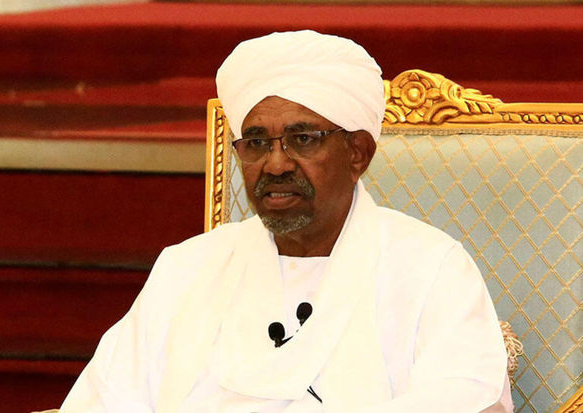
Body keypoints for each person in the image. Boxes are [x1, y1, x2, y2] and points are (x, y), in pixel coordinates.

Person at [60, 30, 513, 413]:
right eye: (256, 143)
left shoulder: (430, 269)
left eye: (303, 139)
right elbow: (104, 400)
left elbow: (467, 398)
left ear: (358, 153)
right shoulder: (189, 268)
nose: (275, 164)